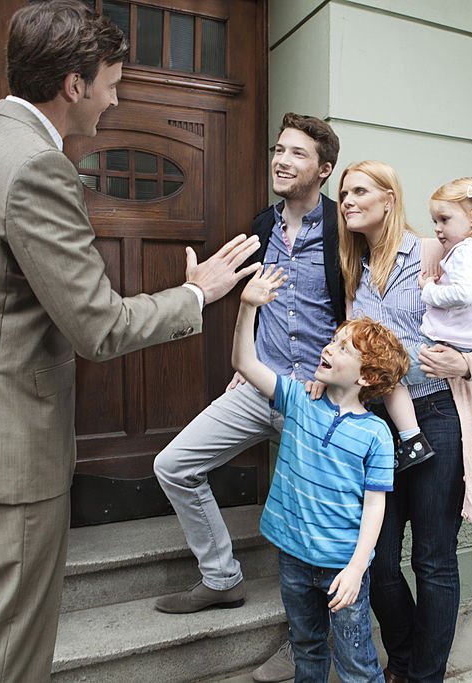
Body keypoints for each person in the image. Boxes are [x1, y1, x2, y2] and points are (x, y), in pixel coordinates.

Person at [0, 2, 262, 681]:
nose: (116, 98)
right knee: (9, 650)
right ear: (74, 86)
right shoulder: (36, 168)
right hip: (11, 448)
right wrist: (197, 294)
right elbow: (98, 326)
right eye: (112, 82)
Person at [152, 113, 344, 626]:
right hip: (259, 384)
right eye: (279, 149)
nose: (281, 160)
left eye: (297, 153)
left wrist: (330, 378)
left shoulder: (344, 231)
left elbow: (360, 311)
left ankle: (305, 640)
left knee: (312, 519)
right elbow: (265, 302)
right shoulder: (263, 225)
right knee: (174, 465)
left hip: (314, 399)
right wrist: (249, 356)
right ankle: (221, 578)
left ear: (323, 169)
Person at [338, 161, 472, 683]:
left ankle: (422, 674)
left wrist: (468, 363)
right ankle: (408, 657)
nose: (345, 199)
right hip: (376, 425)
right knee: (381, 563)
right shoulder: (355, 269)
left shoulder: (434, 249)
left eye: (357, 190)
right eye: (342, 192)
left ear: (390, 199)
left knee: (434, 559)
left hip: (438, 415)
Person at [232, 265, 407, 683]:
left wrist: (357, 568)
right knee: (307, 651)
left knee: (356, 663)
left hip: (341, 567)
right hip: (292, 557)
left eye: (344, 348)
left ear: (366, 376)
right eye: (333, 341)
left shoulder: (376, 434)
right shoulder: (298, 398)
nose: (329, 348)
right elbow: (243, 361)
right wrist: (246, 308)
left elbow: (374, 506)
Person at [383, 177, 472, 471]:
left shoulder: (463, 252)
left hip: (444, 347)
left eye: (444, 219)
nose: (437, 228)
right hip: (463, 339)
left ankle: (411, 441)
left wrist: (429, 290)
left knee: (387, 373)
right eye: (434, 220)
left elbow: (465, 295)